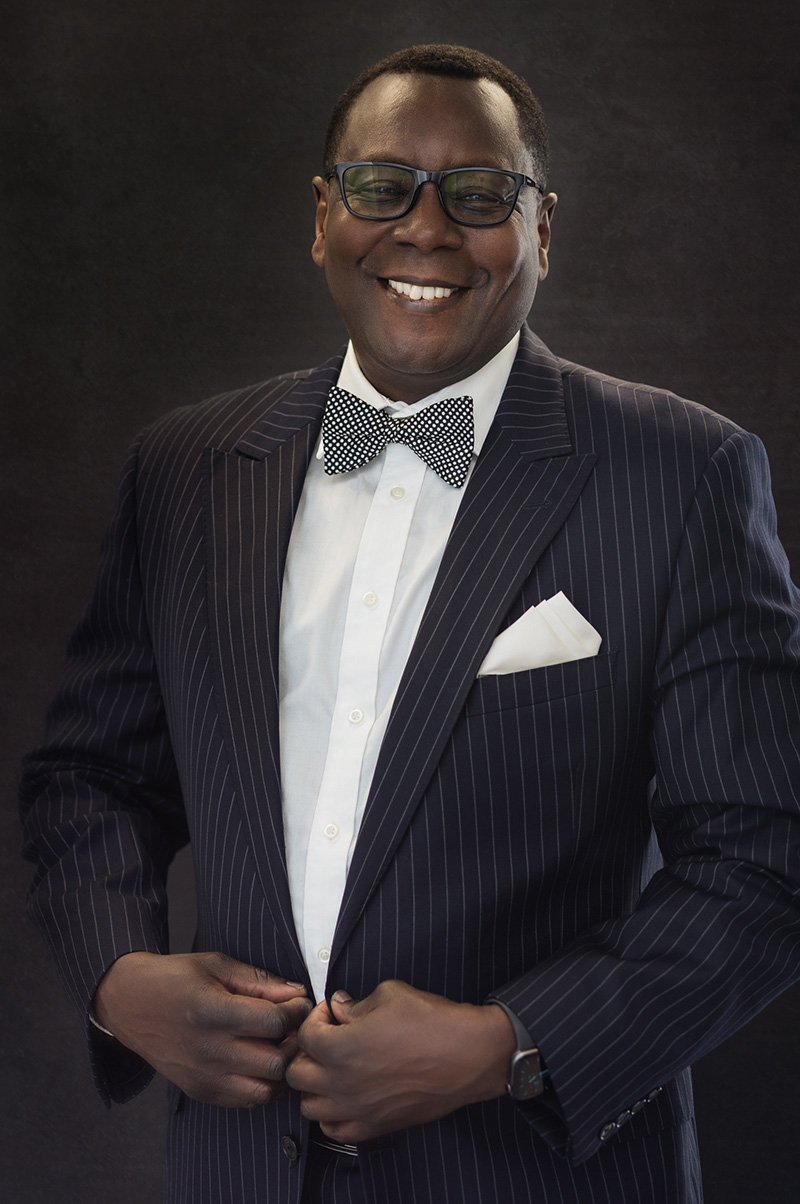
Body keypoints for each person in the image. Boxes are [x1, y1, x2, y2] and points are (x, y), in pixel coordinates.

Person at [20, 43, 800, 1204]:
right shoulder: (185, 468)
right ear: (323, 214)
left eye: (479, 196)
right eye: (382, 186)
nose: (425, 228)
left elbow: (763, 856)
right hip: (236, 1169)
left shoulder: (681, 474)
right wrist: (120, 978)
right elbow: (89, 773)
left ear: (539, 232)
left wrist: (509, 1043)